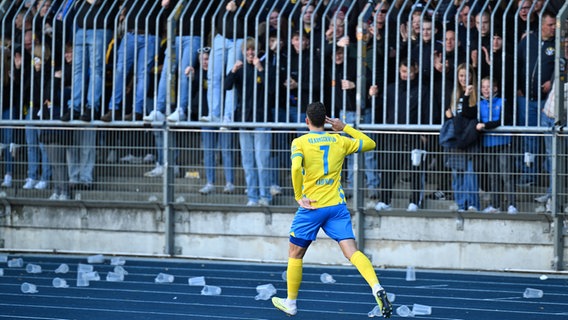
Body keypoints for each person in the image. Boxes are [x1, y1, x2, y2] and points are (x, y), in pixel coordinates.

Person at [271, 101, 392, 318]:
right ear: (326, 121)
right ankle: (376, 287)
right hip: (336, 205)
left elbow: (296, 167)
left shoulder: (300, 142)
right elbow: (370, 143)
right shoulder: (339, 140)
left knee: (295, 253)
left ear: (307, 121)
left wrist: (299, 196)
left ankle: (290, 302)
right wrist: (344, 127)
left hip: (313, 207)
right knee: (352, 251)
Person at [225, 38, 272, 206]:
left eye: (253, 50)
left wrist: (260, 69)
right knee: (248, 162)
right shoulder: (240, 69)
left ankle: (265, 196)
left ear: (257, 51)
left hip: (261, 120)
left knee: (262, 161)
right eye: (248, 50)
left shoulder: (265, 67)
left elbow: (272, 89)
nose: (250, 53)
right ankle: (252, 197)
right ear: (243, 52)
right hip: (244, 120)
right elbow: (227, 86)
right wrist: (233, 70)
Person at [516, 10, 556, 187]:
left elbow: (562, 67)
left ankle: (550, 179)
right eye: (550, 25)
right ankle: (528, 176)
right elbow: (518, 63)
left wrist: (552, 81)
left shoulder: (558, 44)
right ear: (541, 25)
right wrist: (517, 88)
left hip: (546, 102)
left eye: (555, 25)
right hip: (526, 100)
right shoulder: (528, 40)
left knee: (549, 140)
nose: (553, 28)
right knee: (529, 138)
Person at [476, 77, 517, 214]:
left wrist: (486, 125)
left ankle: (512, 205)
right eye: (483, 87)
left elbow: (504, 120)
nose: (486, 89)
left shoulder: (502, 102)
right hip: (488, 144)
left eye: (489, 87)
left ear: (495, 88)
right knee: (493, 176)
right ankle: (495, 205)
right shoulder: (479, 104)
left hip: (503, 143)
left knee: (507, 175)